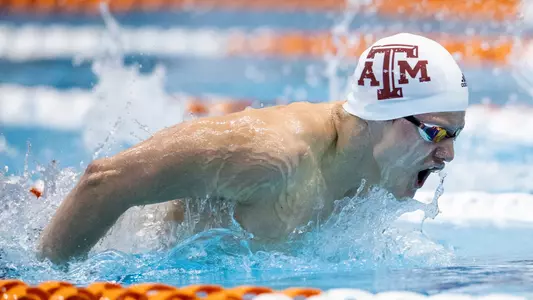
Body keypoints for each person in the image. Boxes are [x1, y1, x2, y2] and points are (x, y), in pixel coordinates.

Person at [38, 33, 468, 264]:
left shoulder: (368, 180)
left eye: (455, 136)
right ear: (381, 116)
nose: (447, 156)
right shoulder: (271, 155)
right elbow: (104, 181)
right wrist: (49, 279)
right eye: (436, 133)